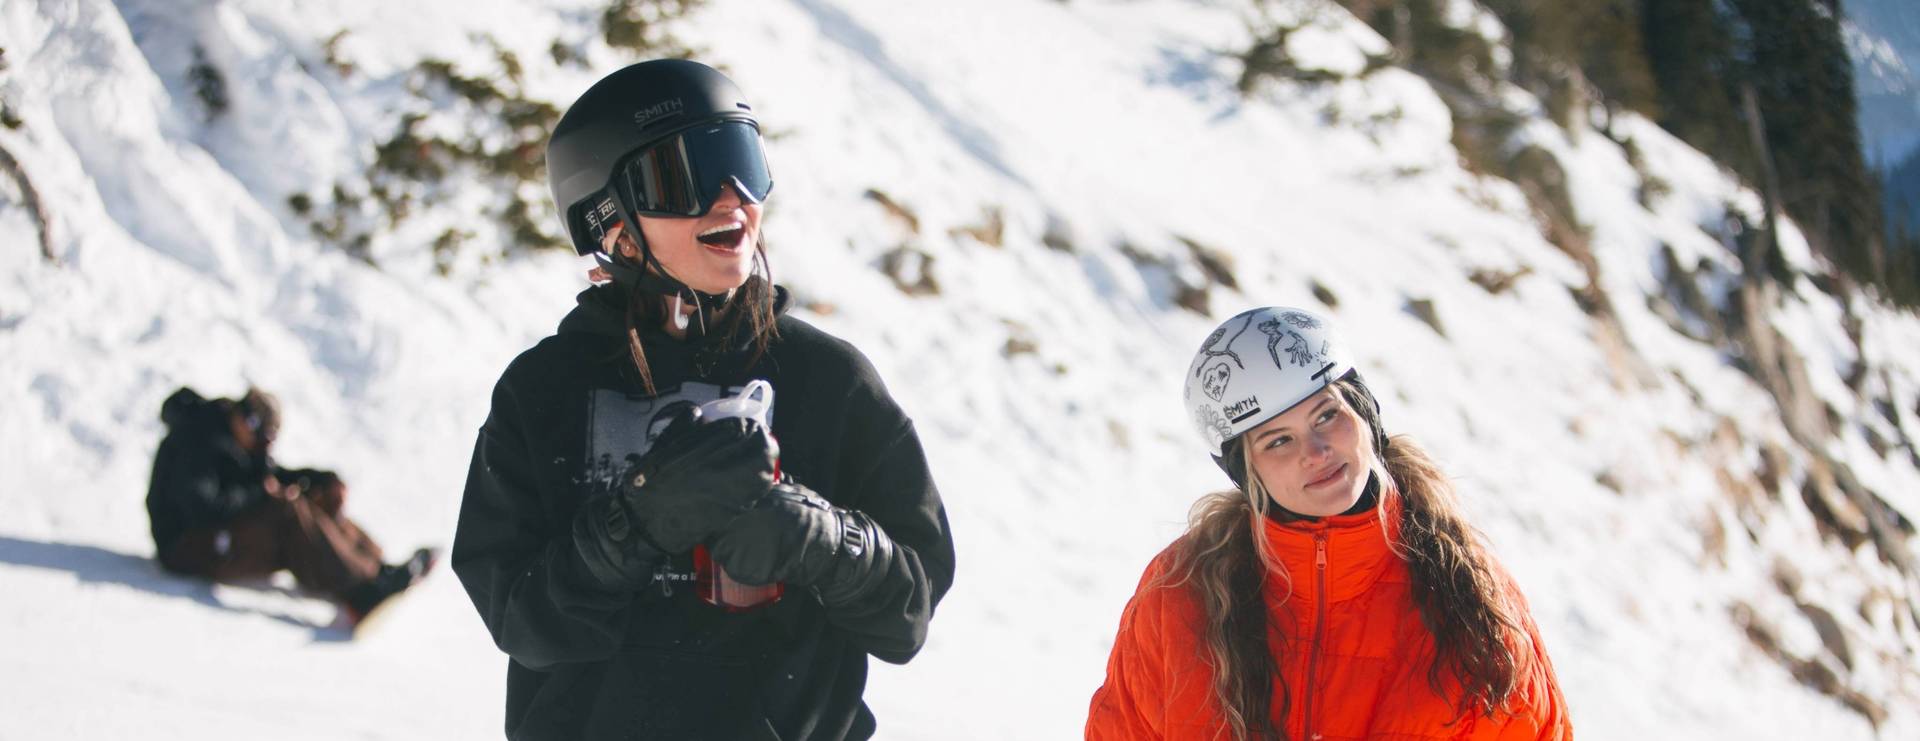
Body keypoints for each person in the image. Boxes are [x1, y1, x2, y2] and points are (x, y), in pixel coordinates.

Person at [452, 59, 955, 741]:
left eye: (742, 160)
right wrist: (637, 522)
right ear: (613, 226)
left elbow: (908, 614)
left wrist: (823, 540)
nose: (732, 198)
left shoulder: (830, 381)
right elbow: (522, 621)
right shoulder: (545, 392)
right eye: (681, 177)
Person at [1086, 307, 1571, 740]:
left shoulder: (1470, 597)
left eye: (1326, 416)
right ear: (1244, 470)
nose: (1316, 454)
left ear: (1365, 416)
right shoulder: (1179, 596)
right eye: (1278, 441)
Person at [145, 386, 436, 622]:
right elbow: (202, 508)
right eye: (264, 438)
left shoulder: (236, 440)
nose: (265, 446)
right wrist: (261, 495)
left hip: (213, 537)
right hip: (183, 548)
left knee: (303, 498)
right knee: (286, 510)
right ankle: (361, 593)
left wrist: (318, 480)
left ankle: (375, 570)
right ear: (248, 422)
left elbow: (270, 477)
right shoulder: (198, 442)